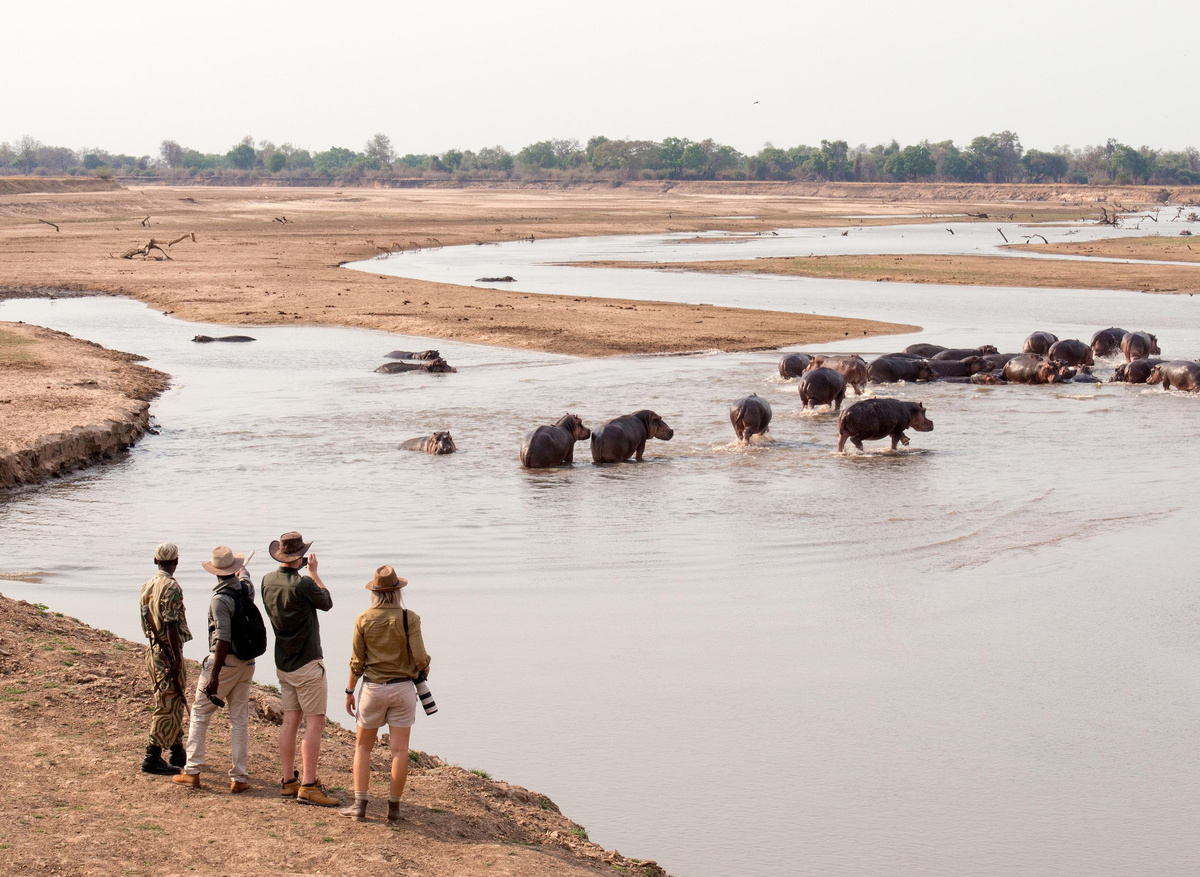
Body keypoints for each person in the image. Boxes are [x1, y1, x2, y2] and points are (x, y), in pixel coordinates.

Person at [340, 565, 432, 821]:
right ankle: (393, 809)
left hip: (372, 689)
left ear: (375, 592)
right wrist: (426, 665)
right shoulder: (409, 618)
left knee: (363, 747)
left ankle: (360, 806)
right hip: (403, 689)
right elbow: (420, 657)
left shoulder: (363, 619)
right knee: (400, 751)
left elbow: (356, 662)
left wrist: (349, 691)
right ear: (397, 592)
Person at [260, 531, 339, 807]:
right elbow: (327, 602)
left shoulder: (266, 581)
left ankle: (287, 780)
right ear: (300, 557)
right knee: (315, 723)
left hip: (283, 661)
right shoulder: (304, 583)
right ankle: (308, 784)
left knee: (290, 721)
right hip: (307, 662)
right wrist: (315, 573)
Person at [173, 545, 257, 793]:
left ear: (216, 572)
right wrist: (243, 572)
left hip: (225, 662)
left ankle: (192, 771)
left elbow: (222, 639)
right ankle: (239, 777)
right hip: (247, 662)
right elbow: (245, 578)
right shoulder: (246, 588)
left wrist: (214, 676)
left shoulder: (219, 599)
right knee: (239, 720)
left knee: (200, 714)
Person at [138, 542, 192, 775]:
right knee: (166, 701)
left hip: (153, 650)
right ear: (176, 562)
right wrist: (177, 657)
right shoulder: (171, 586)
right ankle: (152, 755)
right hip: (167, 651)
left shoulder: (147, 585)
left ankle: (177, 750)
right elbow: (170, 624)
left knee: (173, 698)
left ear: (155, 561)